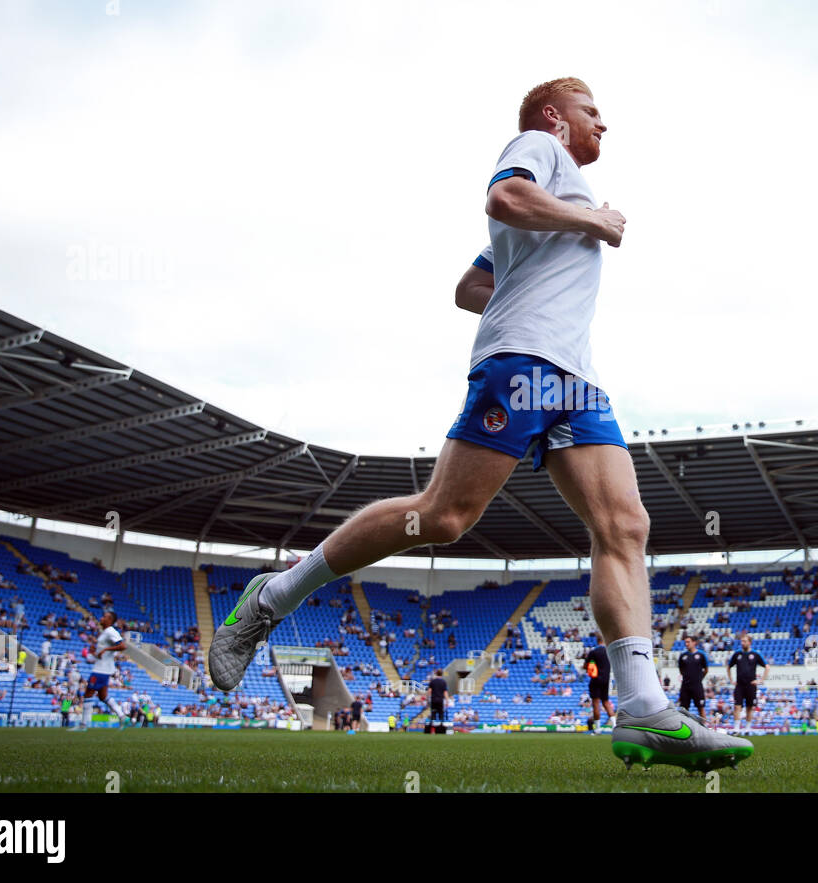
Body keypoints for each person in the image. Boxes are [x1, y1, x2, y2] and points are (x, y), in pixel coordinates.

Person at [208, 76, 750, 772]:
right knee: (443, 516)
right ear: (556, 117)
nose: (603, 126)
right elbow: (502, 197)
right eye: (592, 112)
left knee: (624, 526)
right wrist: (595, 224)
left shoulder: (557, 193)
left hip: (576, 379)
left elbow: (469, 286)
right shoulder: (537, 148)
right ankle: (273, 594)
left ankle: (643, 705)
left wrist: (537, 264)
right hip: (525, 363)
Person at [76, 611, 125, 731]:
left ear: (110, 620)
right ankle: (122, 715)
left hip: (101, 670)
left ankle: (83, 725)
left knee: (88, 693)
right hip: (104, 668)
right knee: (103, 696)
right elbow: (102, 653)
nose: (102, 618)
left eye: (105, 617)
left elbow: (123, 646)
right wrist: (96, 651)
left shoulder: (110, 631)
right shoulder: (104, 633)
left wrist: (105, 649)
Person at [727, 635, 768, 735]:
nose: (742, 643)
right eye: (741, 641)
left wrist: (760, 680)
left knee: (750, 707)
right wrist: (732, 680)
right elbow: (728, 667)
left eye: (744, 641)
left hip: (751, 685)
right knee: (737, 706)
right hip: (739, 685)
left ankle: (747, 729)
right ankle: (736, 728)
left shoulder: (755, 654)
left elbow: (767, 667)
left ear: (750, 642)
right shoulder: (737, 654)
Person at [584, 641, 615, 733]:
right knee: (606, 702)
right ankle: (615, 726)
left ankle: (597, 729)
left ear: (597, 641)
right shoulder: (609, 651)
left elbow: (585, 665)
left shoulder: (594, 652)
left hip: (596, 679)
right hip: (606, 679)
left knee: (596, 703)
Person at [677, 635, 709, 718]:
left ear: (694, 643)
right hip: (685, 686)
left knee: (700, 708)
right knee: (684, 709)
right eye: (685, 642)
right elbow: (681, 670)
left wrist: (699, 678)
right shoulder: (683, 656)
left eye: (688, 642)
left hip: (697, 686)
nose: (686, 644)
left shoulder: (701, 655)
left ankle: (704, 728)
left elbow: (706, 670)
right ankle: (685, 728)